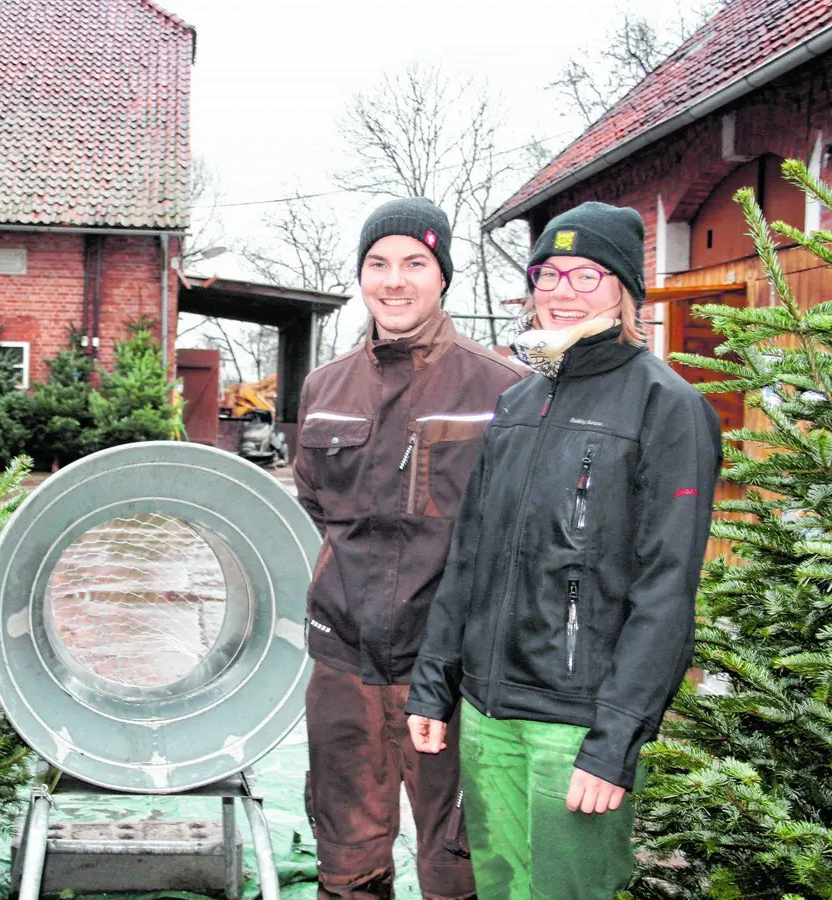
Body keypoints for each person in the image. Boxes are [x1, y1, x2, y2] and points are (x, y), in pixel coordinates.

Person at [404, 201, 722, 899]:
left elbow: (666, 594)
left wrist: (615, 743)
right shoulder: (520, 405)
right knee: (500, 886)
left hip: (575, 727)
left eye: (586, 274)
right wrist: (436, 679)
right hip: (489, 715)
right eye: (547, 274)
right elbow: (470, 556)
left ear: (623, 290)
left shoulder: (668, 409)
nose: (561, 291)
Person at [294, 197, 530, 900]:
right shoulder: (324, 387)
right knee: (346, 859)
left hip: (451, 673)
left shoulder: (503, 389)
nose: (394, 281)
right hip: (343, 664)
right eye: (378, 264)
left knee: (458, 865)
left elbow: (518, 533)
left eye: (414, 264)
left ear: (443, 276)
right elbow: (314, 505)